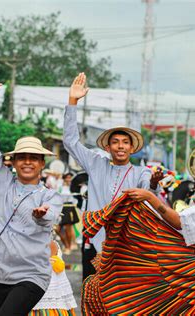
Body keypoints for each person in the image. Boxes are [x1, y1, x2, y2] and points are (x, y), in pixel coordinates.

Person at [63, 72, 163, 279]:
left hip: (127, 246)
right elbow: (70, 142)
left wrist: (153, 183)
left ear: (132, 148)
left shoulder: (140, 172)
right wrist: (72, 102)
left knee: (122, 301)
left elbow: (148, 192)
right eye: (115, 142)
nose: (120, 146)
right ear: (108, 147)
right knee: (91, 296)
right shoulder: (96, 164)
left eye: (125, 142)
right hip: (95, 241)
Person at [0, 67, 63, 315]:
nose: (27, 162)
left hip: (32, 276)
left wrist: (42, 214)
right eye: (22, 157)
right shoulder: (3, 181)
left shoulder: (50, 195)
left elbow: (52, 214)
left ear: (41, 164)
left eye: (34, 158)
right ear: (13, 162)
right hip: (0, 274)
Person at [56, 172, 80, 254]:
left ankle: (69, 246)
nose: (68, 179)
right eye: (67, 177)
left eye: (70, 177)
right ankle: (67, 245)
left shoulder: (74, 187)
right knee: (57, 229)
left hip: (70, 207)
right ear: (64, 178)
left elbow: (76, 198)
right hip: (61, 207)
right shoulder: (60, 187)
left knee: (68, 228)